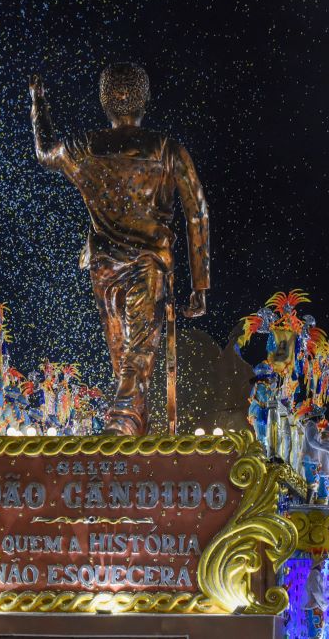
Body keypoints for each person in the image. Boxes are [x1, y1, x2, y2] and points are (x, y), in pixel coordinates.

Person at [30, 63, 210, 435]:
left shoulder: (84, 148)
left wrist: (39, 104)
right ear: (144, 100)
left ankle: (127, 422)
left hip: (104, 267)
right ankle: (125, 423)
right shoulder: (167, 150)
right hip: (149, 265)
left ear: (105, 102)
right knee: (134, 354)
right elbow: (198, 213)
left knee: (128, 356)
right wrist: (200, 286)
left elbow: (45, 151)